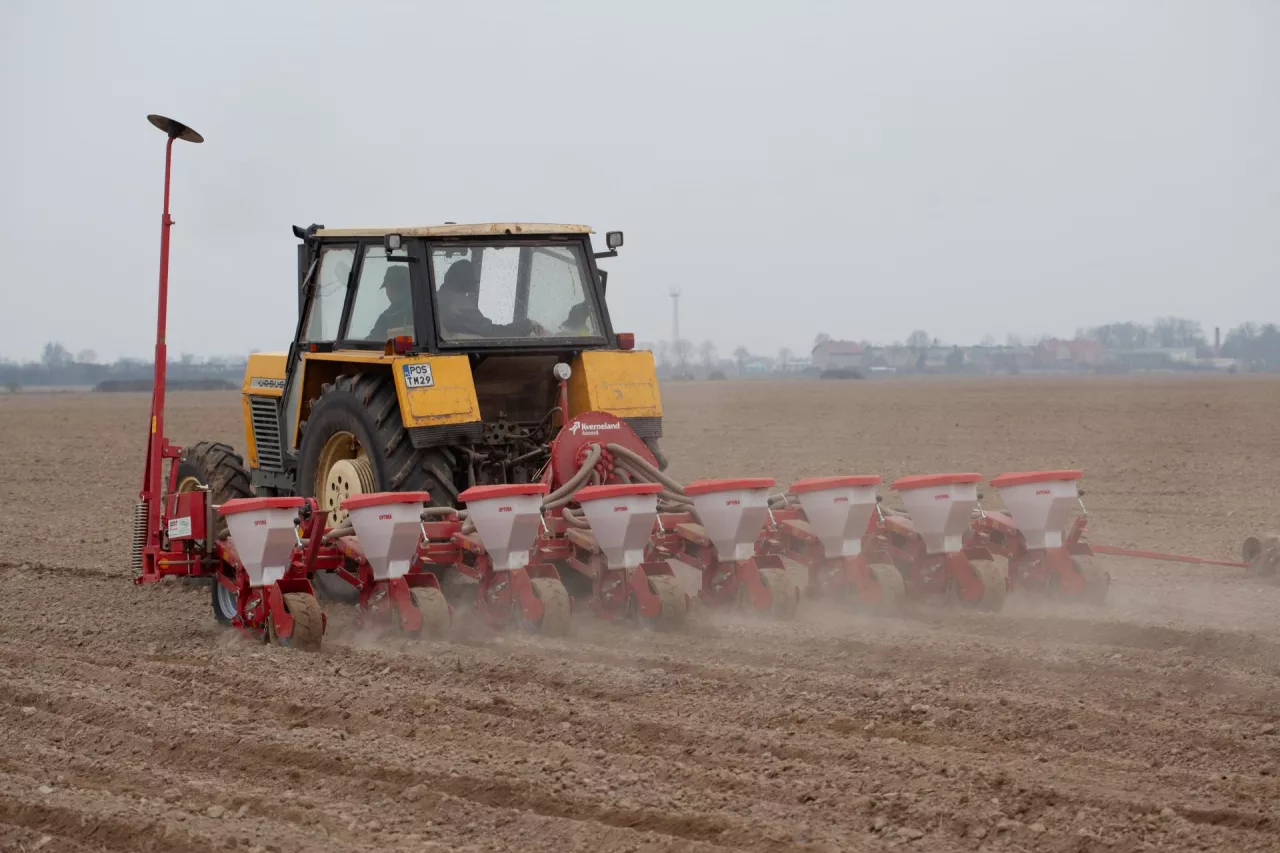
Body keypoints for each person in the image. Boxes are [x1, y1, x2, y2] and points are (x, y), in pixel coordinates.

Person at [436, 259, 545, 338]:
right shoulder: (459, 306)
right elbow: (491, 333)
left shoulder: (438, 297)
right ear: (464, 280)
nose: (477, 283)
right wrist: (526, 326)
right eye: (474, 279)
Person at [369, 265, 413, 341]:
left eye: (389, 286)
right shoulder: (428, 309)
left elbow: (371, 344)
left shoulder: (388, 318)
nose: (389, 291)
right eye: (387, 287)